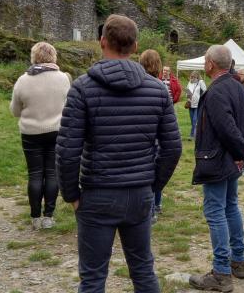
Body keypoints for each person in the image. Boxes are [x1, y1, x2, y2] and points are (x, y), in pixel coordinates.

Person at [56, 15, 182, 292]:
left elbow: (67, 151)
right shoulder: (157, 92)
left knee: (92, 277)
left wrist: (72, 195)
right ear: (135, 46)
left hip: (98, 193)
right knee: (143, 270)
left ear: (102, 42)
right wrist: (151, 186)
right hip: (138, 193)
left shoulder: (82, 89)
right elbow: (173, 148)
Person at [188, 45, 244, 292]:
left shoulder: (217, 92)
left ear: (210, 64)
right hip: (231, 161)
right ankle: (237, 262)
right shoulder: (239, 88)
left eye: (205, 61)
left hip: (219, 161)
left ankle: (221, 272)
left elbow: (229, 128)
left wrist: (242, 154)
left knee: (217, 211)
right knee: (230, 207)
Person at [10, 42, 70, 230]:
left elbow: (15, 110)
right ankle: (48, 217)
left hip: (31, 132)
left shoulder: (23, 80)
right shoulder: (63, 79)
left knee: (35, 174)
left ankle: (35, 217)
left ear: (34, 57)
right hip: (56, 130)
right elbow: (68, 105)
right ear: (54, 56)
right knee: (52, 172)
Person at [139, 49, 166, 224]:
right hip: (156, 138)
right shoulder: (161, 87)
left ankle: (151, 209)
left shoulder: (137, 84)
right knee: (156, 172)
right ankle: (155, 206)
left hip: (143, 138)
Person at [186, 71, 207, 139]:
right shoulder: (190, 82)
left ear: (197, 77)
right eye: (191, 77)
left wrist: (201, 98)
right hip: (190, 104)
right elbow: (187, 91)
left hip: (198, 104)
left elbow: (205, 91)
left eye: (194, 77)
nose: (192, 78)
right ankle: (198, 133)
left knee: (195, 120)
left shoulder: (200, 82)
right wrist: (188, 98)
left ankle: (192, 135)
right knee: (192, 121)